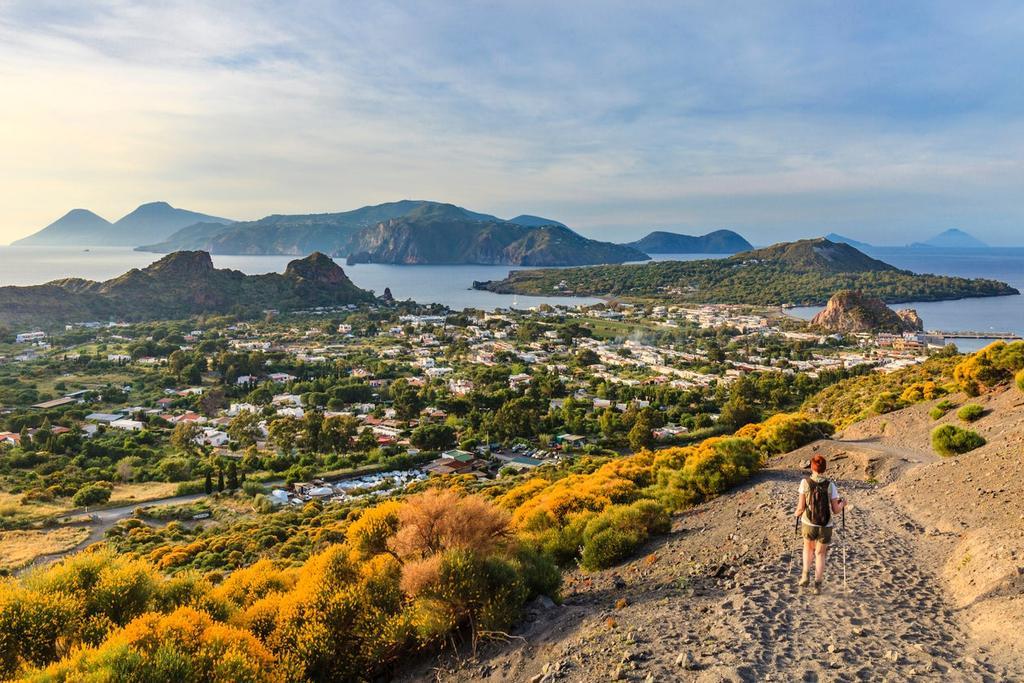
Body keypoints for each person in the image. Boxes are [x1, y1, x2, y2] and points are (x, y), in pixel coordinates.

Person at [794, 454, 845, 593]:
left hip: (809, 523)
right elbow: (835, 510)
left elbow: (801, 507)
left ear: (811, 467)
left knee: (808, 548)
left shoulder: (805, 483)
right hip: (825, 525)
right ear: (824, 469)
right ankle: (817, 585)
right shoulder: (831, 485)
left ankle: (805, 574)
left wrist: (796, 513)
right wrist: (843, 504)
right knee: (820, 554)